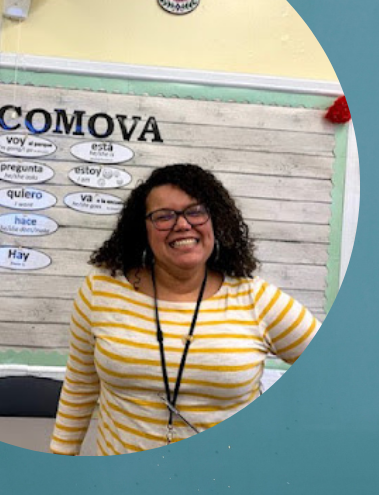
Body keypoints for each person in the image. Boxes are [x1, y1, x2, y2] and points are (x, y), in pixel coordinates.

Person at [49, 164, 319, 455]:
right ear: (143, 230)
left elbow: (339, 370)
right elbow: (79, 387)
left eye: (195, 212)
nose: (182, 224)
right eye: (163, 216)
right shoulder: (101, 290)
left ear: (216, 221)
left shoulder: (257, 300)